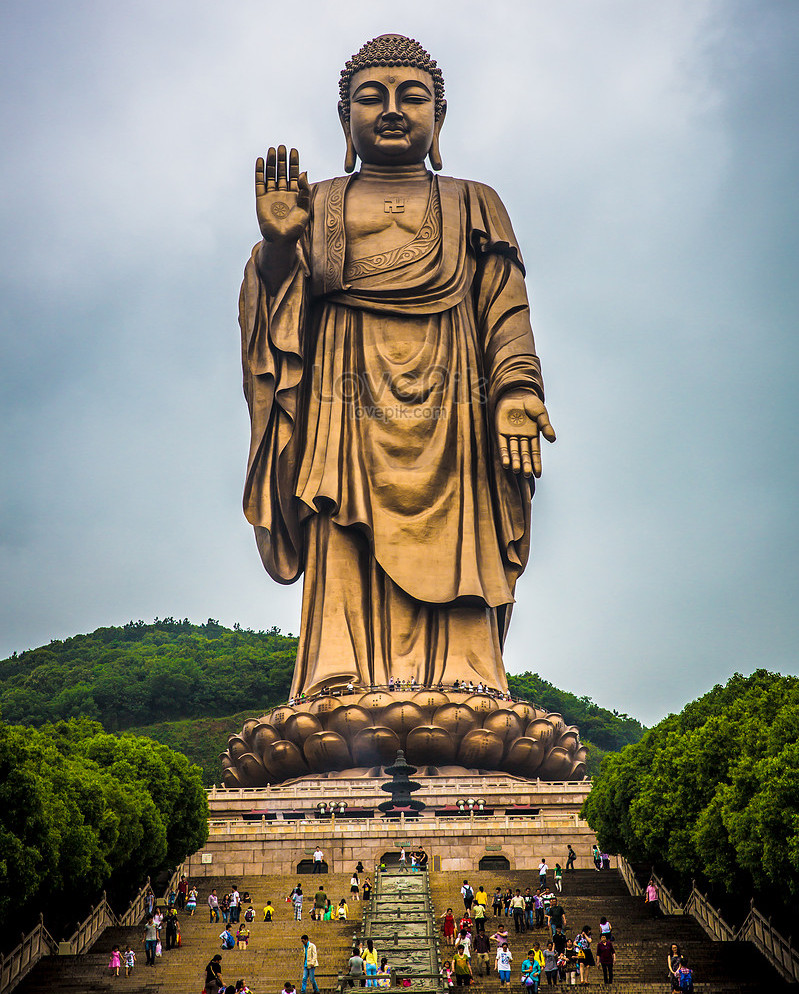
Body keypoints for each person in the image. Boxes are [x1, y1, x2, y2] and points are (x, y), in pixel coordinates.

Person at [241, 34, 555, 705]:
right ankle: (335, 679)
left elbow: (504, 307)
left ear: (438, 119)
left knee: (461, 536)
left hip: (454, 410)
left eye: (411, 97)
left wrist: (517, 392)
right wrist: (276, 248)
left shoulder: (473, 201)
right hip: (341, 404)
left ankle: (468, 681)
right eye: (370, 96)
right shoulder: (316, 203)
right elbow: (274, 313)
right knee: (339, 525)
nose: (391, 109)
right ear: (343, 120)